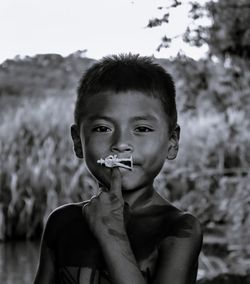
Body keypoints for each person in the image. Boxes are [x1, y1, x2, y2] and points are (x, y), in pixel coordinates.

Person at [34, 54, 203, 284]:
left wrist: (111, 234)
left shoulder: (179, 229)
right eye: (102, 128)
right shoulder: (61, 222)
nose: (121, 143)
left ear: (172, 142)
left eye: (142, 128)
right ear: (77, 141)